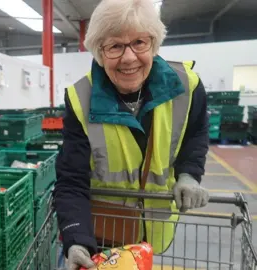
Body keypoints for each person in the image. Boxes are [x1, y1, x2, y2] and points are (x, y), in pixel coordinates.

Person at [53, 0, 210, 269]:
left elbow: (195, 133)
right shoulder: (81, 99)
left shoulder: (187, 86)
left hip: (155, 230)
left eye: (139, 42)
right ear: (99, 53)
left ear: (154, 44)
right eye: (115, 46)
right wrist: (76, 238)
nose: (129, 58)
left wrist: (189, 173)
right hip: (102, 237)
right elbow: (71, 180)